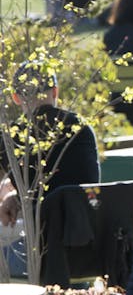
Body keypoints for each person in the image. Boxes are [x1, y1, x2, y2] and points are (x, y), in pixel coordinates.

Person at [0, 62, 102, 276]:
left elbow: (44, 190)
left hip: (42, 255)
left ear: (16, 98)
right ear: (56, 92)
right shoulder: (81, 129)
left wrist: (12, 193)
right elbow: (72, 185)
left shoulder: (10, 139)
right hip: (90, 249)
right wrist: (16, 195)